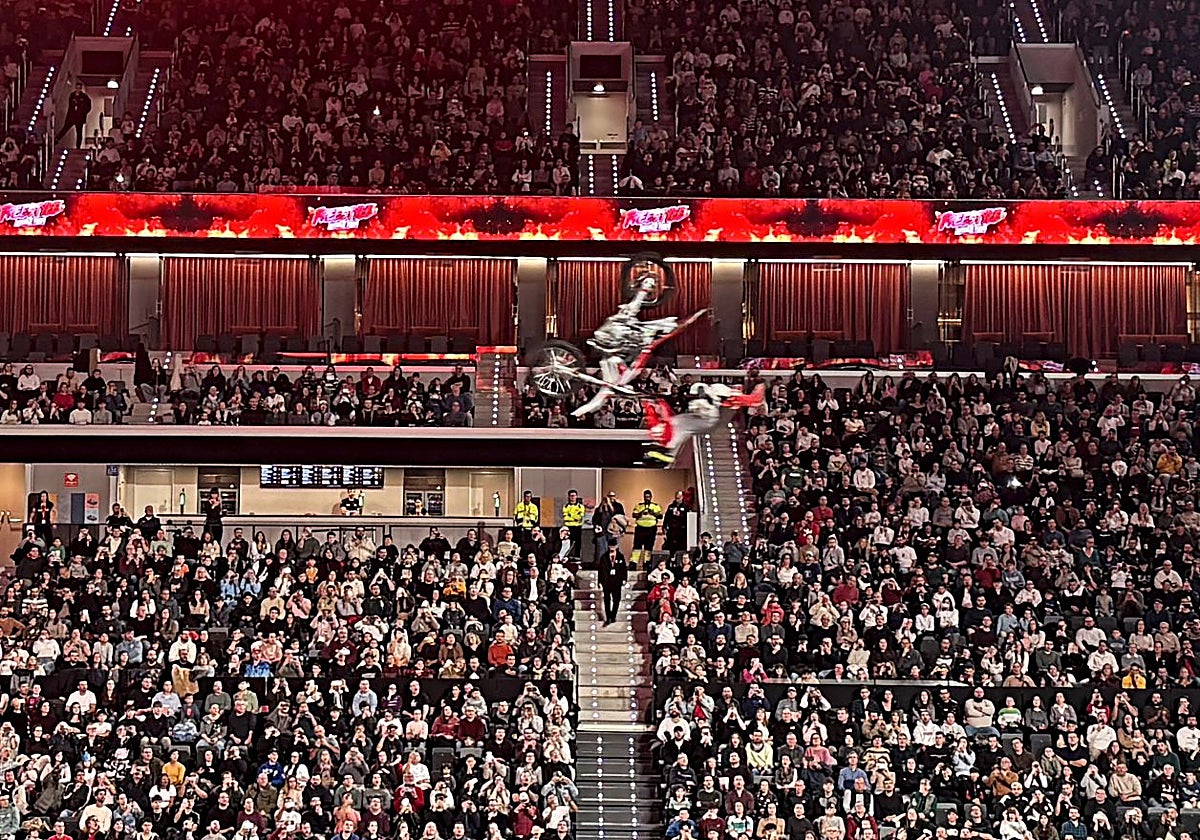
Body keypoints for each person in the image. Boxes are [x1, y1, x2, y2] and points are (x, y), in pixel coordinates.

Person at [597, 542, 628, 625]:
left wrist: (624, 579)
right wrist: (599, 581)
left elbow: (624, 569)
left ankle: (613, 615)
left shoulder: (620, 557)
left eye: (613, 546)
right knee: (607, 600)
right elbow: (600, 570)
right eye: (610, 546)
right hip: (606, 582)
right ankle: (608, 617)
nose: (612, 548)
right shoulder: (604, 557)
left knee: (616, 600)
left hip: (617, 582)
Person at [631, 489, 663, 567]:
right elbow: (634, 515)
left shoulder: (655, 506)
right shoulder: (639, 505)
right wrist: (642, 512)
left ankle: (647, 562)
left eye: (648, 497)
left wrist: (653, 513)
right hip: (640, 529)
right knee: (637, 546)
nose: (647, 498)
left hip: (651, 529)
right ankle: (633, 562)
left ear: (651, 497)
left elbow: (660, 516)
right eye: (645, 497)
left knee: (648, 547)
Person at [57, 82, 92, 148]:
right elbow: (70, 106)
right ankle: (57, 139)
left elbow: (88, 106)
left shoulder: (84, 97)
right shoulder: (72, 95)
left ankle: (78, 146)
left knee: (79, 132)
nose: (78, 89)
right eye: (77, 88)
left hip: (79, 117)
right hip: (72, 116)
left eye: (79, 88)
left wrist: (83, 112)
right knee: (65, 128)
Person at [662, 491, 690, 558]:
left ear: (682, 497)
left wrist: (680, 515)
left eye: (679, 497)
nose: (677, 499)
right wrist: (664, 527)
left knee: (680, 547)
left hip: (681, 531)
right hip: (671, 530)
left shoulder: (686, 507)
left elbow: (687, 519)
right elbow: (666, 517)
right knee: (670, 546)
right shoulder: (671, 506)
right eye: (676, 497)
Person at [561, 490, 585, 559]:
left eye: (574, 496)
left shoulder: (580, 507)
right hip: (568, 526)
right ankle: (567, 555)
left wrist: (571, 516)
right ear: (568, 497)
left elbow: (580, 517)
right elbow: (566, 517)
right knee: (568, 542)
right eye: (571, 496)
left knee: (578, 542)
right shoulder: (566, 506)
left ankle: (577, 555)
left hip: (577, 526)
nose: (573, 497)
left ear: (576, 497)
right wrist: (574, 517)